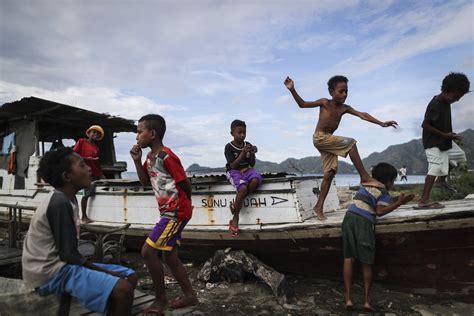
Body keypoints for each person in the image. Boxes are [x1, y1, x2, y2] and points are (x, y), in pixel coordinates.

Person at [22, 147, 137, 315]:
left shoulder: (70, 199)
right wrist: (107, 272)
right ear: (67, 176)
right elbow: (69, 256)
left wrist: (107, 272)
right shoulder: (59, 203)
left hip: (63, 265)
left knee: (131, 276)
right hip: (48, 272)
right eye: (82, 165)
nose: (89, 168)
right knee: (124, 289)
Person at [284, 75, 398, 220]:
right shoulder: (324, 102)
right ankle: (365, 177)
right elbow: (302, 104)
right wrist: (292, 89)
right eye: (341, 91)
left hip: (328, 142)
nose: (344, 94)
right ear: (332, 92)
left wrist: (381, 123)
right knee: (351, 143)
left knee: (330, 173)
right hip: (320, 137)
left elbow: (362, 115)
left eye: (346, 91)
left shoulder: (345, 108)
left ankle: (318, 207)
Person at [130, 114, 198, 314]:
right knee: (169, 256)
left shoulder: (167, 156)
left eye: (139, 132)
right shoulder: (150, 158)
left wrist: (182, 207)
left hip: (175, 212)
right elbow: (145, 182)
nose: (137, 137)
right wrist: (136, 161)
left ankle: (160, 300)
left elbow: (185, 184)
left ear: (152, 134)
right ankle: (190, 296)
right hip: (169, 212)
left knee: (147, 251)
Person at [342, 162, 414, 312]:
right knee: (366, 262)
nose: (393, 184)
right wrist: (399, 203)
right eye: (393, 181)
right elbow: (380, 211)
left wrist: (395, 200)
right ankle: (366, 302)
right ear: (387, 181)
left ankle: (348, 299)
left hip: (349, 217)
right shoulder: (383, 192)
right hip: (363, 222)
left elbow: (376, 202)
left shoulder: (366, 185)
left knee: (349, 258)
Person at [417, 72, 470, 209]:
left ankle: (440, 181)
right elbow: (425, 125)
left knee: (460, 156)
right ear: (447, 91)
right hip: (433, 141)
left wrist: (448, 135)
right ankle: (423, 201)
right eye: (456, 97)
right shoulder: (435, 104)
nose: (457, 100)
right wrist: (445, 135)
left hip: (444, 139)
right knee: (435, 167)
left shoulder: (447, 101)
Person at [224, 119, 262, 237]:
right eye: (239, 133)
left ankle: (236, 204)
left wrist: (252, 153)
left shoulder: (247, 144)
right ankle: (235, 218)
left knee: (256, 180)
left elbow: (252, 164)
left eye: (244, 133)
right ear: (232, 133)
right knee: (243, 188)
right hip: (234, 171)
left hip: (247, 170)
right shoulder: (228, 147)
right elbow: (233, 165)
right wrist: (242, 153)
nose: (242, 135)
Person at [73, 125, 105, 223]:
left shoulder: (96, 148)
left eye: (97, 134)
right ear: (89, 133)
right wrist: (87, 159)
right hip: (84, 172)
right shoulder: (82, 141)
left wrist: (101, 174)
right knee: (86, 194)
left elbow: (96, 163)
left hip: (94, 173)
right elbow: (74, 155)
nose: (95, 134)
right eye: (93, 132)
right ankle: (84, 217)